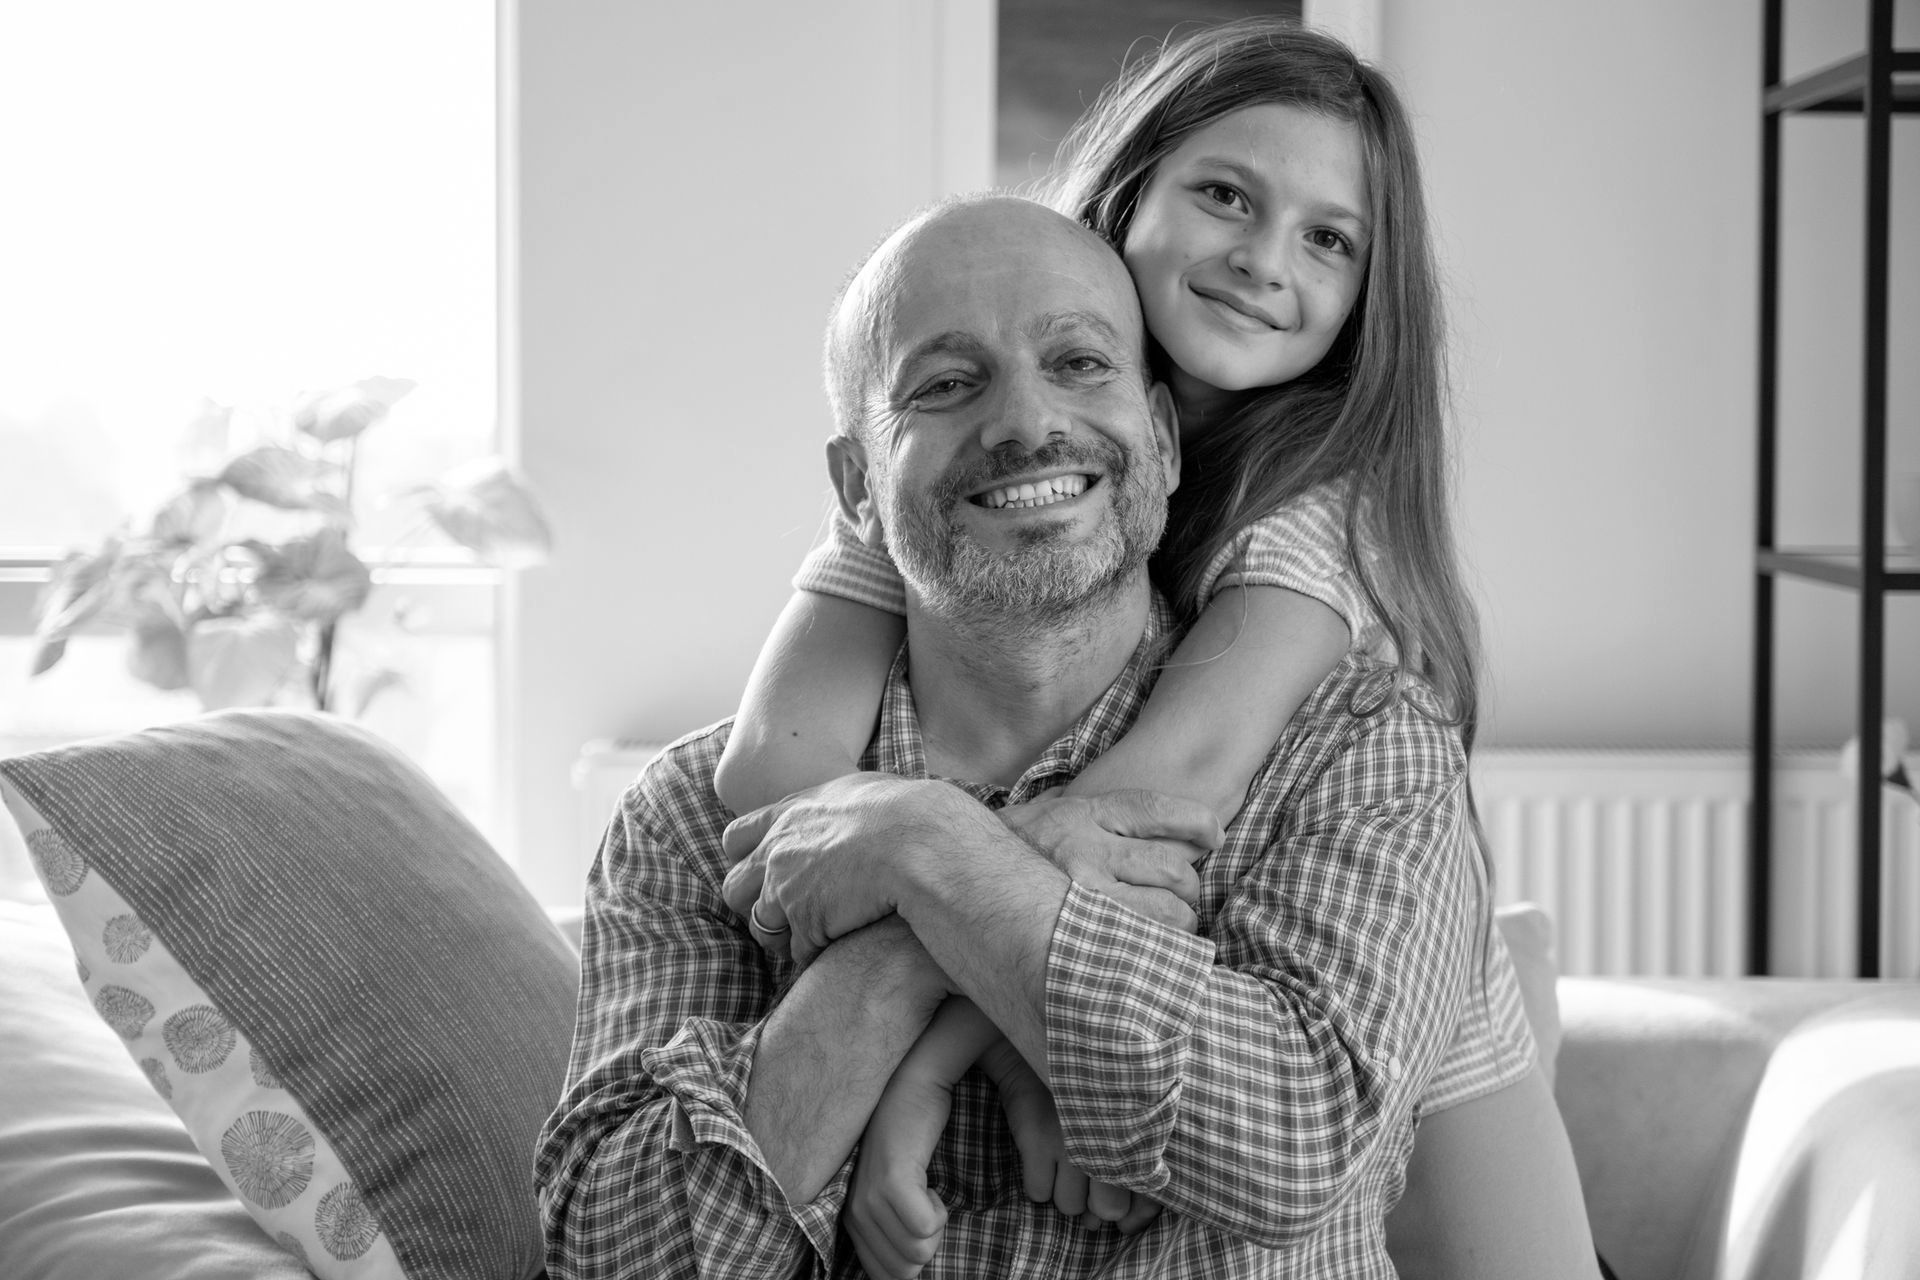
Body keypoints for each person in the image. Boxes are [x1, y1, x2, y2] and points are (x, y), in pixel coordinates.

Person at [713, 18, 1596, 1280]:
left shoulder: (1314, 511)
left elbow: (1137, 812)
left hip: (1455, 1077)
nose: (1263, 261)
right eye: (1227, 195)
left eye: (1330, 239)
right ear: (1127, 198)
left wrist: (936, 1045)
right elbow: (768, 778)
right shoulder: (976, 453)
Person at [540, 191, 1512, 1278]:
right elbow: (617, 1255)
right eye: (947, 386)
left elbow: (1292, 1148)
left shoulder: (1358, 749)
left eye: (1081, 363)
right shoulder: (692, 818)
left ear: (1164, 435)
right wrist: (922, 923)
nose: (1023, 423)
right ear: (857, 488)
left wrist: (929, 853)